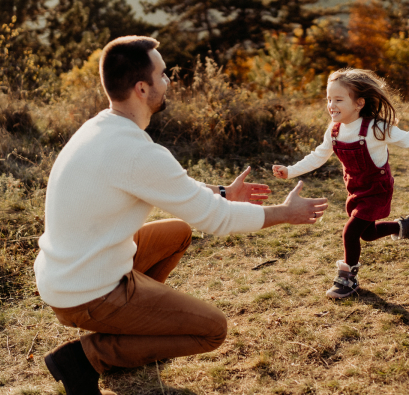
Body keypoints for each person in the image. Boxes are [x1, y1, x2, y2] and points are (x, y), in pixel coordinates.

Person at [34, 36, 328, 395]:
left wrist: (221, 193)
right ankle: (85, 357)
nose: (169, 81)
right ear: (143, 88)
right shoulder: (135, 151)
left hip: (71, 271)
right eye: (164, 74)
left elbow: (178, 188)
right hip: (86, 292)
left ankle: (135, 335)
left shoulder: (102, 127)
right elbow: (216, 220)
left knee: (177, 231)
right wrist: (285, 213)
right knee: (211, 329)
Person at [271, 68, 409, 299]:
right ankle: (408, 226)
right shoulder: (333, 131)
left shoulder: (375, 128)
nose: (331, 105)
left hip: (377, 189)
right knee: (368, 233)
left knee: (351, 232)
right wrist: (290, 171)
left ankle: (348, 280)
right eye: (329, 99)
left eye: (339, 99)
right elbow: (318, 156)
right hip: (356, 189)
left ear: (358, 103)